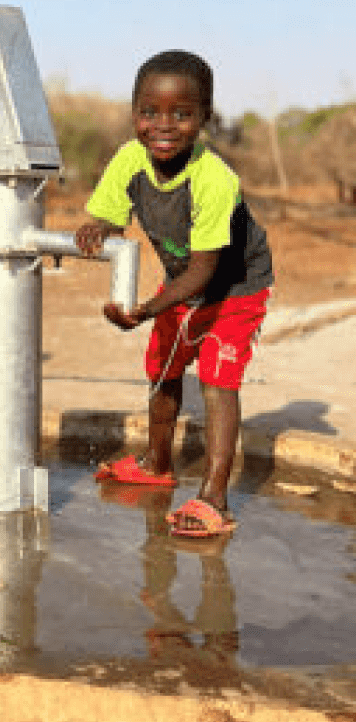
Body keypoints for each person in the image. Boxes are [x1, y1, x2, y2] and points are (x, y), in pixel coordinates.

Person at [75, 51, 273, 538]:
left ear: (204, 116)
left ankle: (214, 499)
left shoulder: (214, 179)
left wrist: (144, 310)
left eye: (181, 114)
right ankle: (156, 462)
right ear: (134, 112)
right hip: (183, 279)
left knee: (217, 380)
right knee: (163, 365)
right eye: (149, 112)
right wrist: (97, 226)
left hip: (233, 288)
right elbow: (109, 211)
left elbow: (206, 271)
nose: (163, 125)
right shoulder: (129, 158)